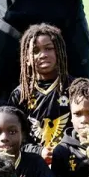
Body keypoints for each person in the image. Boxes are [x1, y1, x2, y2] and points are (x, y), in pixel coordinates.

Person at [9, 23, 72, 163]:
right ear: (26, 58)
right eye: (36, 51)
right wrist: (38, 151)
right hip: (35, 163)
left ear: (59, 51)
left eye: (49, 48)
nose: (43, 55)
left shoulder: (75, 88)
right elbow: (13, 137)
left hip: (70, 161)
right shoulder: (20, 95)